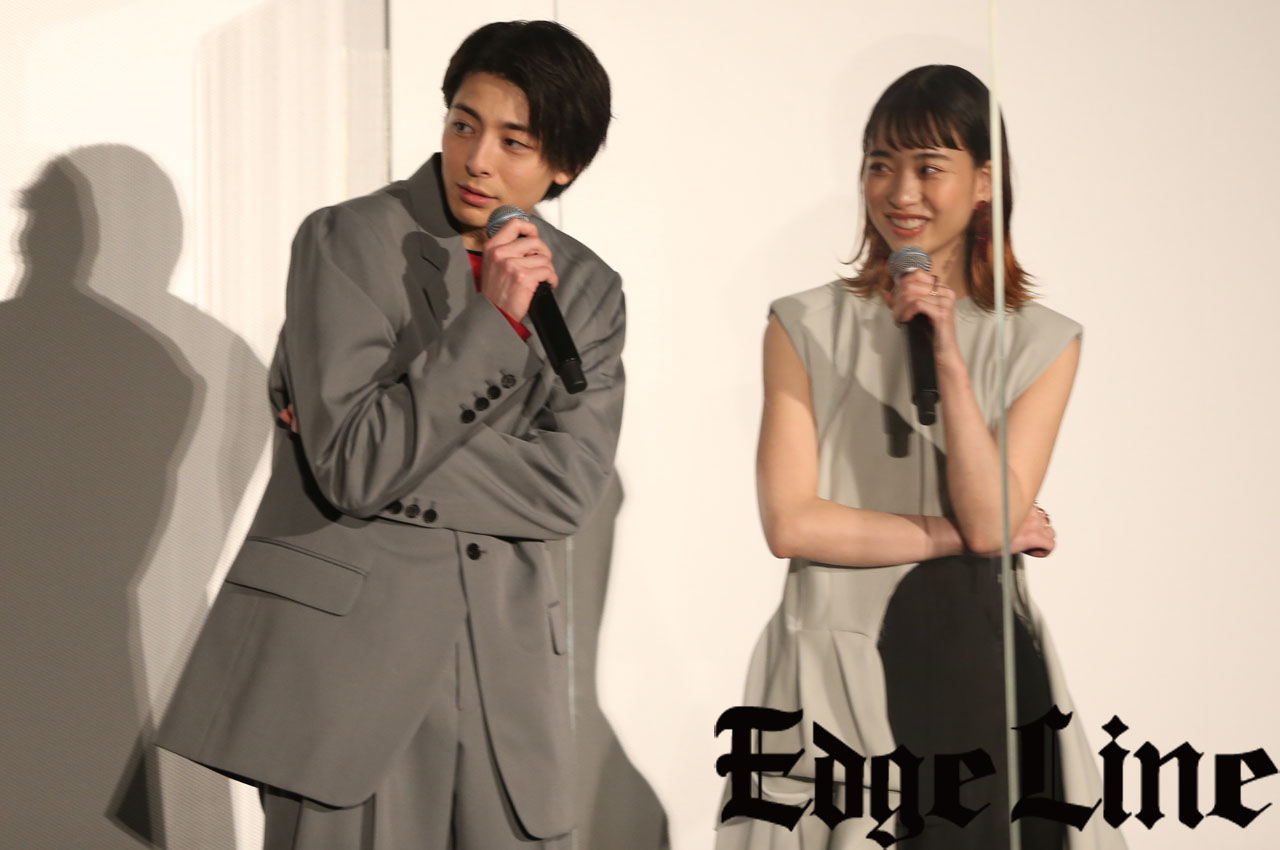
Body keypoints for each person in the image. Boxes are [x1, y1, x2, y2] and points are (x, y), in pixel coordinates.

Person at [157, 20, 622, 850]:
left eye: (513, 142)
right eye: (463, 124)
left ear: (565, 167)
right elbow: (354, 464)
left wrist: (381, 434)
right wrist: (490, 329)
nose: (477, 159)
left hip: (504, 682)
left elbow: (568, 488)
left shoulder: (587, 288)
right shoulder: (348, 240)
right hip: (345, 675)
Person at [716, 66, 1126, 849]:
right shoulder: (801, 326)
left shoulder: (1043, 342)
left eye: (929, 167)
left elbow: (990, 519)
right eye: (881, 164)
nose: (901, 191)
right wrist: (957, 538)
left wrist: (949, 359)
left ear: (983, 182)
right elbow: (792, 523)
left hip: (979, 671)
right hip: (835, 669)